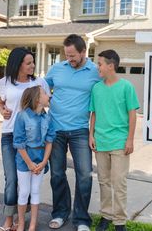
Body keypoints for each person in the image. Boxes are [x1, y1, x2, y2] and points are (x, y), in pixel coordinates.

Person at [45, 34, 100, 231]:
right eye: (67, 55)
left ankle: (82, 219)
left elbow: (106, 92)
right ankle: (60, 213)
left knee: (84, 174)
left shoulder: (95, 71)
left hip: (80, 130)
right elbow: (42, 89)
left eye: (73, 56)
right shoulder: (57, 68)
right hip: (55, 129)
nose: (69, 59)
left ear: (84, 52)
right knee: (57, 174)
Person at [0, 47, 50, 231]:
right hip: (9, 135)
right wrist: (2, 110)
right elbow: (2, 102)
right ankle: (9, 219)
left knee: (27, 180)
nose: (32, 65)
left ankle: (23, 219)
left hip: (31, 139)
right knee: (11, 178)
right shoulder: (4, 82)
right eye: (28, 63)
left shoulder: (39, 82)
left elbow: (45, 104)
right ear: (17, 64)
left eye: (32, 62)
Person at [89, 50, 139, 231]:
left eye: (100, 64)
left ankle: (119, 222)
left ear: (111, 66)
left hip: (119, 141)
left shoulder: (126, 87)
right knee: (104, 181)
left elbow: (132, 114)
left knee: (119, 182)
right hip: (101, 142)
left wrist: (130, 140)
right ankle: (106, 215)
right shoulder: (96, 88)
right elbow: (93, 113)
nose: (97, 68)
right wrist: (91, 134)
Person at [13, 85, 55, 231]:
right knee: (24, 191)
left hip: (40, 160)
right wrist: (30, 163)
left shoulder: (47, 117)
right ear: (37, 98)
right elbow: (19, 143)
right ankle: (21, 224)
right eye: (45, 93)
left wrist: (44, 162)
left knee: (36, 190)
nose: (48, 96)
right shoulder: (22, 116)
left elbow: (49, 141)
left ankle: (32, 225)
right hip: (25, 161)